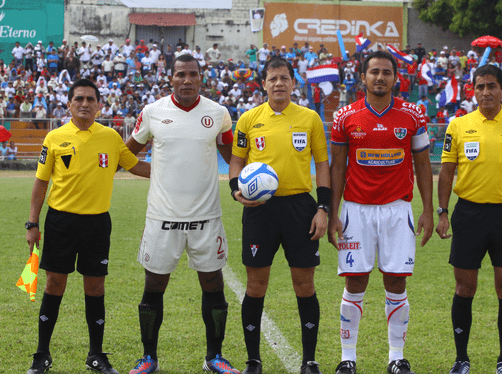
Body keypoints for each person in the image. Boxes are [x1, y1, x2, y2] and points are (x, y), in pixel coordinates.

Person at [124, 54, 240, 374]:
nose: (186, 80)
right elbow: (126, 154)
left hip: (206, 217)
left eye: (193, 74)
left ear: (201, 78)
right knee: (154, 285)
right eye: (180, 75)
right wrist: (157, 173)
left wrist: (244, 183)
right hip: (162, 217)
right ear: (170, 78)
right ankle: (149, 357)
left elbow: (232, 158)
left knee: (213, 284)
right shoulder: (153, 112)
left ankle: (214, 357)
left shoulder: (218, 114)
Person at [24, 79, 151, 374]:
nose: (84, 103)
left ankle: (96, 355)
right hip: (60, 221)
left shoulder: (110, 137)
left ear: (99, 105)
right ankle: (41, 354)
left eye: (90, 99)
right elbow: (41, 182)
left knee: (95, 286)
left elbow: (136, 166)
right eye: (79, 98)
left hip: (97, 222)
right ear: (69, 104)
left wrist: (173, 172)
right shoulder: (55, 138)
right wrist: (32, 223)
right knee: (55, 283)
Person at [328, 51, 433, 374]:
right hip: (356, 211)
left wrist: (428, 210)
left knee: (396, 282)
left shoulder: (414, 115)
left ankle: (396, 357)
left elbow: (423, 165)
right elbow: (337, 168)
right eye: (374, 72)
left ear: (395, 77)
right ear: (363, 77)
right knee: (355, 281)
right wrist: (333, 213)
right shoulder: (345, 116)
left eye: (386, 72)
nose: (380, 77)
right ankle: (348, 358)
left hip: (397, 210)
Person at [228, 57, 331, 374]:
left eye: (284, 78)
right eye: (272, 78)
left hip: (300, 207)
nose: (278, 83)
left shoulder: (310, 118)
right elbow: (236, 162)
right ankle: (253, 361)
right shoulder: (248, 119)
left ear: (293, 82)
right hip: (260, 211)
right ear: (264, 83)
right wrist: (236, 190)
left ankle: (309, 360)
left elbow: (323, 166)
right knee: (255, 285)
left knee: (305, 284)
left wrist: (323, 209)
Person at [436, 64, 502, 374]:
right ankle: (461, 360)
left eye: (491, 86)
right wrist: (443, 212)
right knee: (464, 288)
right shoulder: (458, 125)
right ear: (473, 90)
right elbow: (447, 173)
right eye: (480, 87)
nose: (485, 92)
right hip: (468, 213)